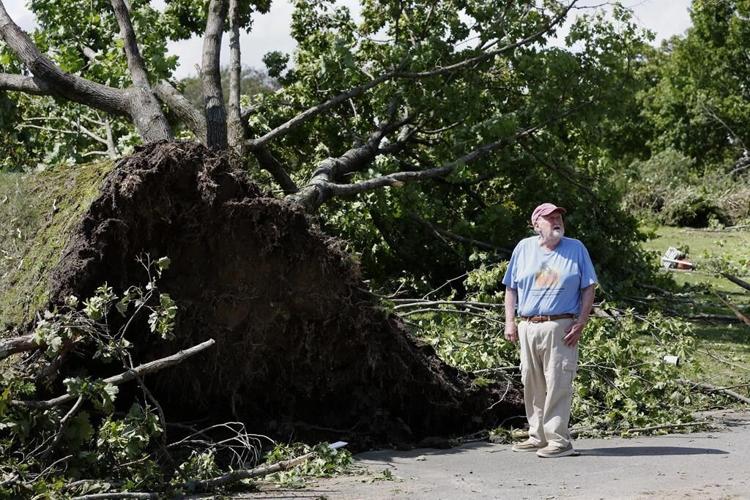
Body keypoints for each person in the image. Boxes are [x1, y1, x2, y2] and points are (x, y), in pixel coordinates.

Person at [502, 202, 597, 458]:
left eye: (559, 217)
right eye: (550, 218)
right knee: (531, 382)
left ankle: (559, 440)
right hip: (528, 325)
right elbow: (510, 287)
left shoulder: (575, 248)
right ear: (536, 225)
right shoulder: (524, 248)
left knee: (558, 382)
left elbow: (589, 287)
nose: (557, 221)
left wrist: (581, 322)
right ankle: (537, 436)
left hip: (561, 325)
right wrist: (510, 322)